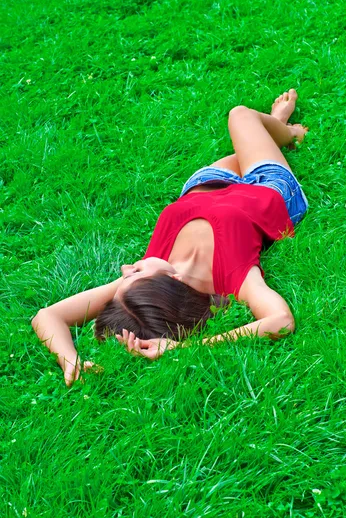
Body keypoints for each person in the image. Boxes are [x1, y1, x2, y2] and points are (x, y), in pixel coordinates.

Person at [32, 89, 309, 386]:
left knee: (248, 138)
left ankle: (272, 131)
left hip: (206, 183)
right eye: (135, 271)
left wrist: (69, 360)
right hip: (268, 189)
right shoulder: (235, 277)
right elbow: (281, 320)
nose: (127, 268)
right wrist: (185, 347)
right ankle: (287, 130)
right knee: (240, 116)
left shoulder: (148, 275)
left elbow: (46, 316)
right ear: (171, 283)